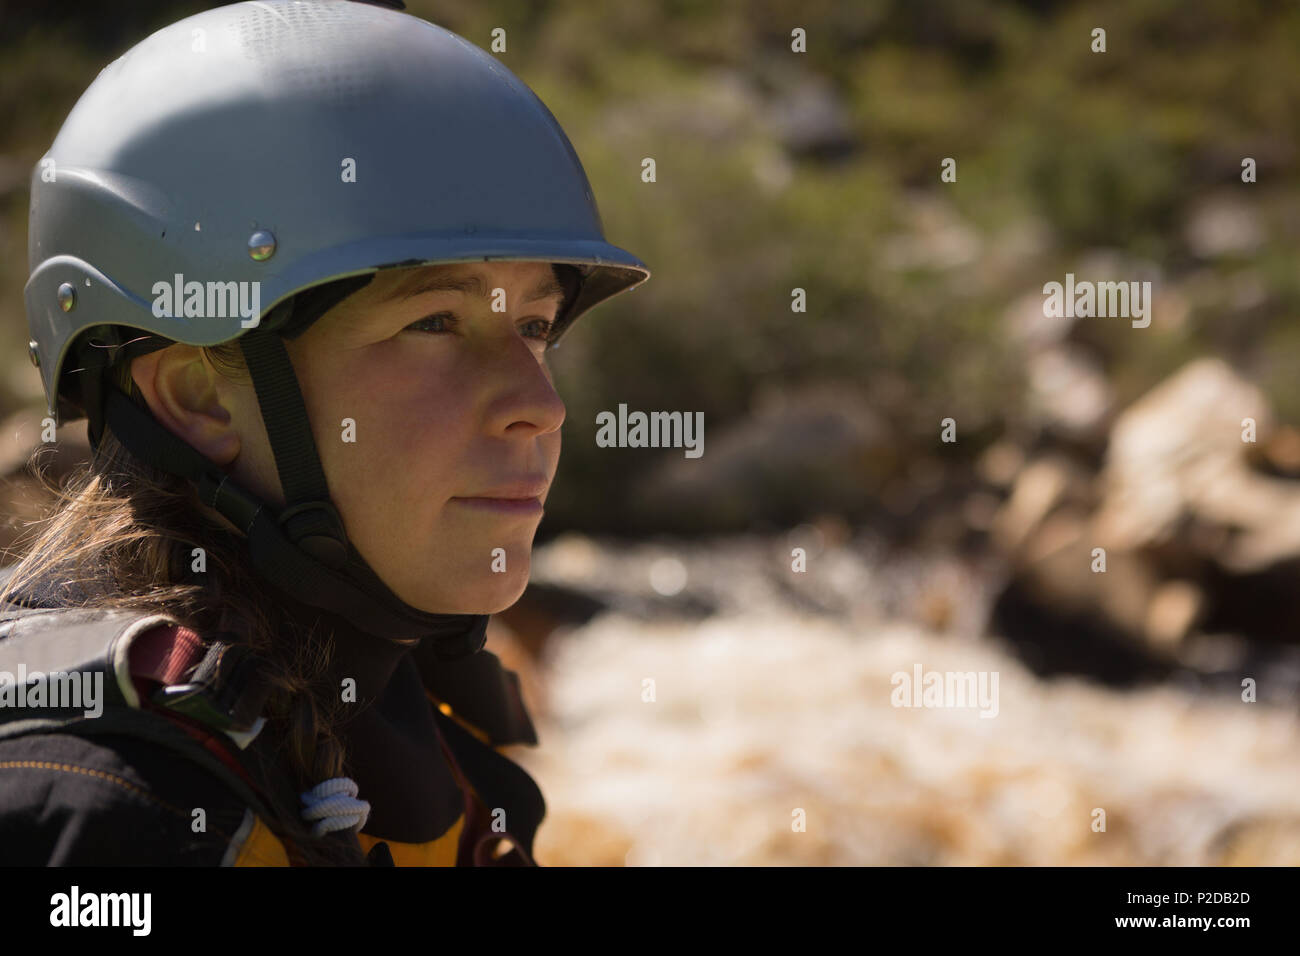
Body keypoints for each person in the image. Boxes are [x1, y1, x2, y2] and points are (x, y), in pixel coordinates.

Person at [0, 0, 649, 866]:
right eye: (435, 325)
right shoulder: (98, 813)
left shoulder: (427, 745)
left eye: (534, 326)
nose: (540, 405)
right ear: (198, 399)